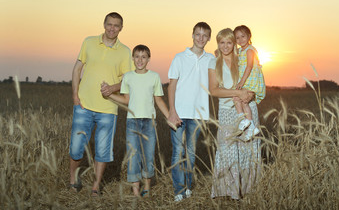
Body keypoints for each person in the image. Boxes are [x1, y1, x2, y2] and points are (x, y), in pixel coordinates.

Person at [69, 12, 133, 196]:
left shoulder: (125, 51)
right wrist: (75, 96)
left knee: (103, 150)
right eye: (109, 24)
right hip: (83, 105)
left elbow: (128, 79)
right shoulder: (89, 42)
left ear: (121, 28)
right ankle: (73, 179)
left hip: (108, 109)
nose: (112, 28)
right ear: (104, 24)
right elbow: (77, 68)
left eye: (116, 25)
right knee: (76, 147)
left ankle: (96, 187)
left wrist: (112, 87)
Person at [101, 44, 170, 197]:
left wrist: (169, 116)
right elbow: (126, 100)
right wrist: (109, 95)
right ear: (133, 58)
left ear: (148, 59)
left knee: (148, 155)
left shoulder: (154, 77)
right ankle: (135, 190)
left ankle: (146, 188)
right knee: (133, 156)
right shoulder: (128, 77)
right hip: (132, 122)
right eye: (137, 57)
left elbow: (158, 100)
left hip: (149, 122)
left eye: (143, 57)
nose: (140, 60)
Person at [208, 28, 261, 199]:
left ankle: (250, 191)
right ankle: (229, 192)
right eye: (221, 42)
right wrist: (237, 93)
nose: (225, 46)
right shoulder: (214, 61)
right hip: (227, 110)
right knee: (228, 149)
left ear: (234, 43)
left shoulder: (242, 57)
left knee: (249, 149)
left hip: (248, 106)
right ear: (218, 43)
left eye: (229, 42)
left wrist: (251, 92)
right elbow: (214, 90)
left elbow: (254, 75)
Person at [167, 22, 215, 202]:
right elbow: (171, 86)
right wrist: (172, 111)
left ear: (209, 38)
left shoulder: (211, 59)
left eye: (205, 35)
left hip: (198, 114)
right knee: (177, 151)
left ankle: (187, 186)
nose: (201, 38)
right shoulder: (179, 57)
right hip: (179, 113)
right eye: (198, 34)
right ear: (192, 35)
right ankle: (178, 190)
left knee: (192, 152)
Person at [234, 25, 266, 141]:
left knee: (239, 98)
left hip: (250, 80)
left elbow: (249, 66)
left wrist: (241, 82)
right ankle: (250, 126)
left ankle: (246, 122)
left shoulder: (250, 50)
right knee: (240, 100)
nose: (240, 40)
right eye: (237, 38)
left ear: (249, 36)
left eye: (243, 36)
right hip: (246, 79)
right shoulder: (240, 50)